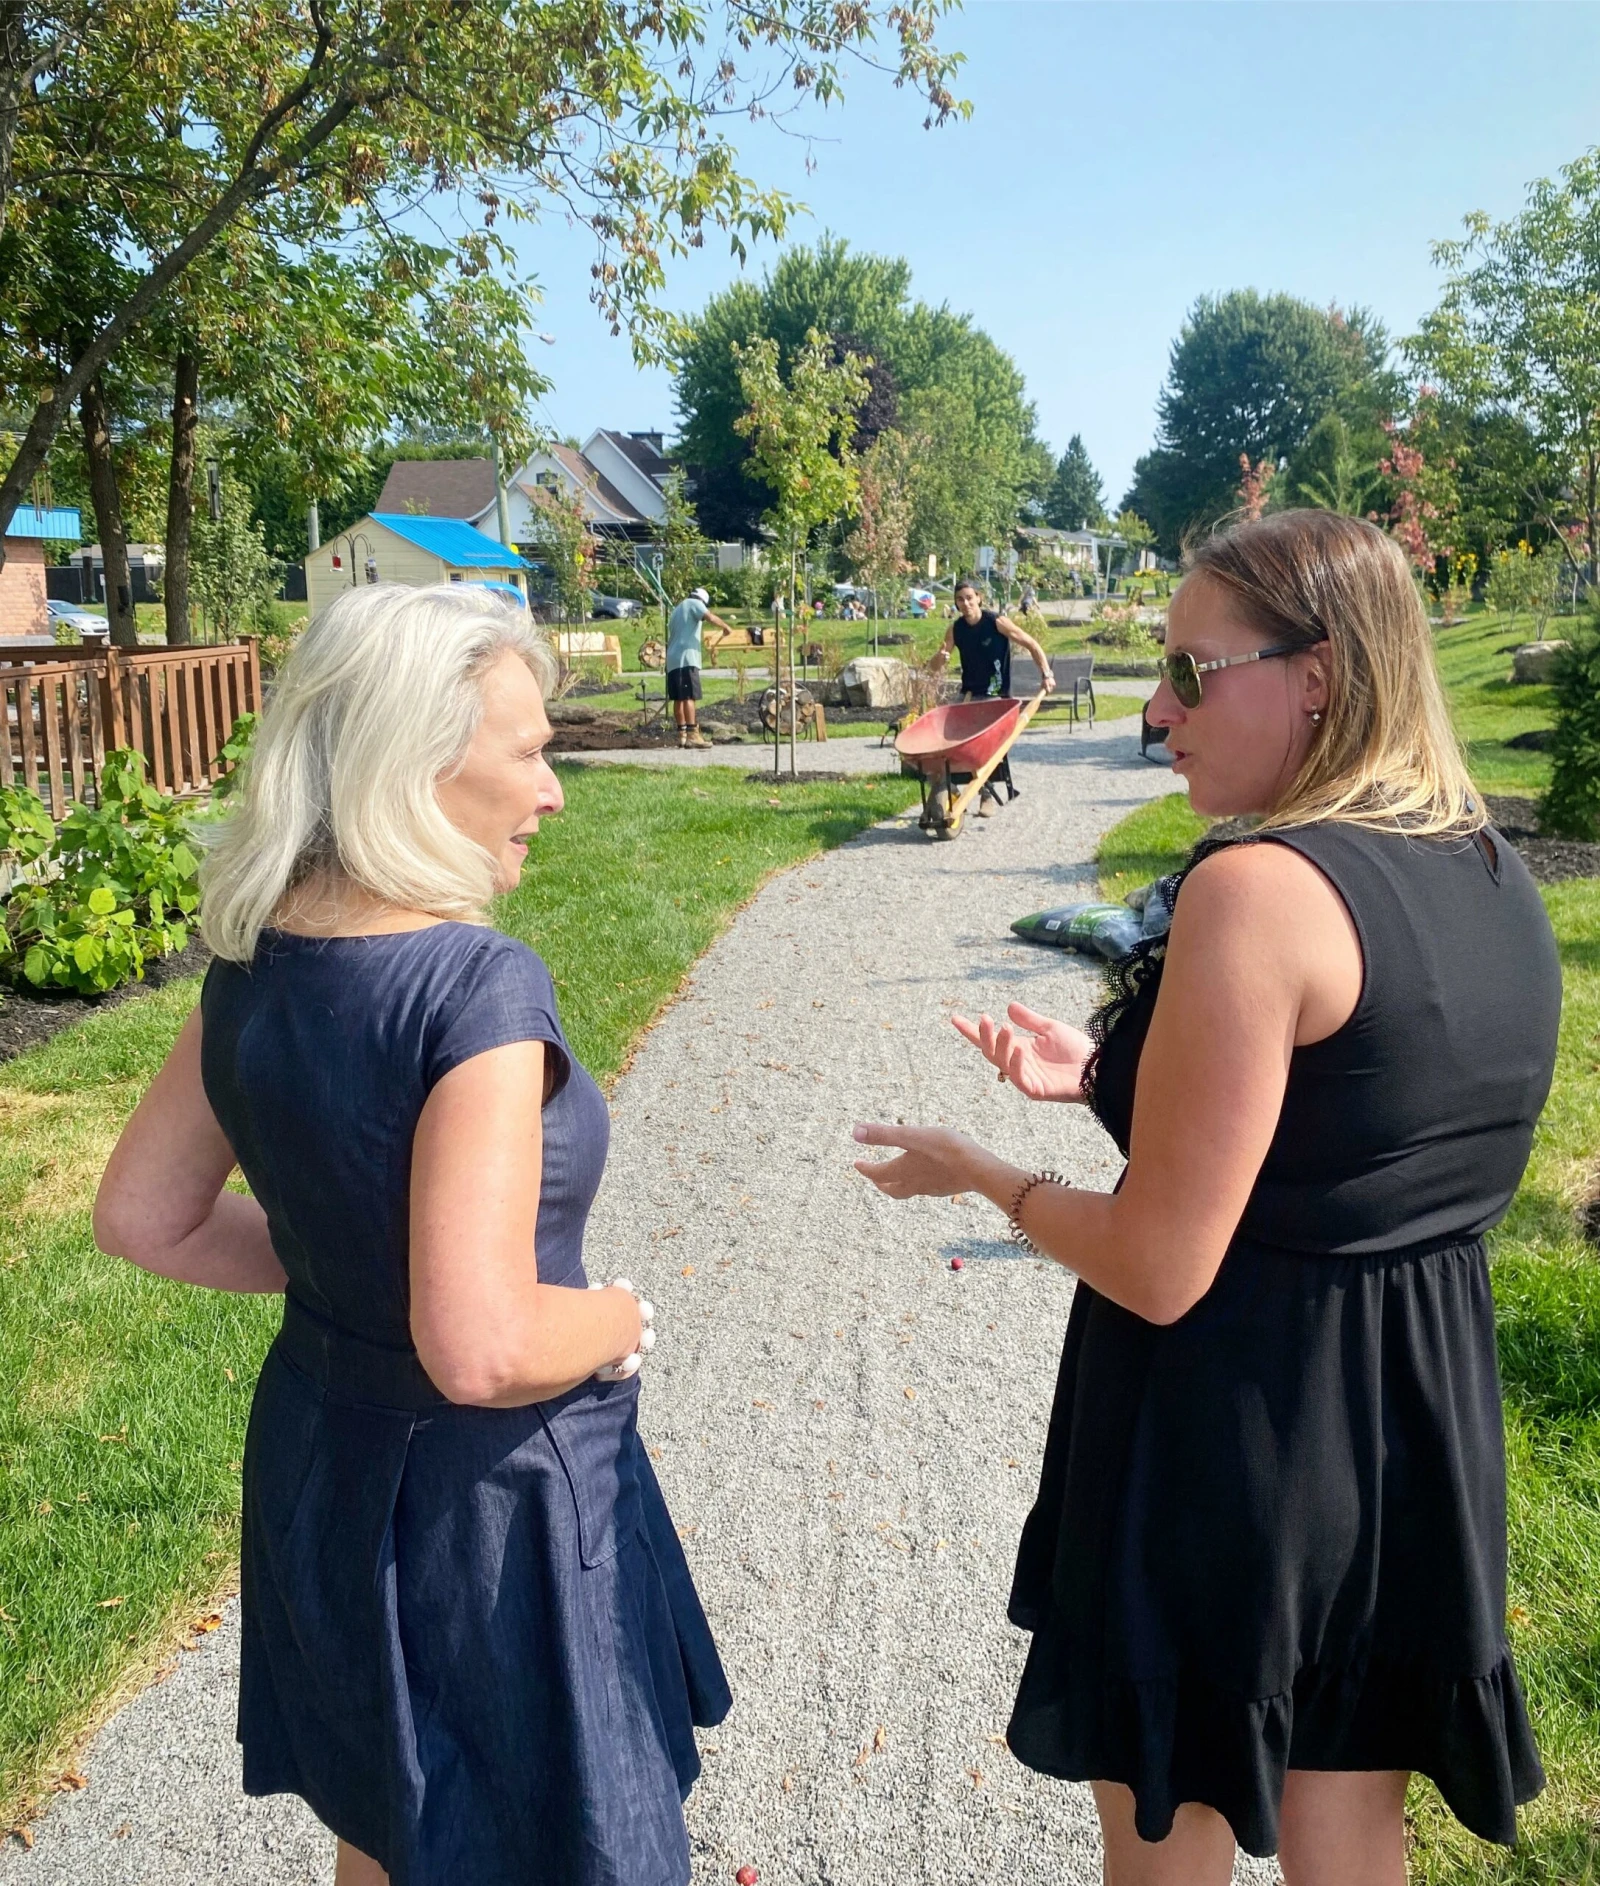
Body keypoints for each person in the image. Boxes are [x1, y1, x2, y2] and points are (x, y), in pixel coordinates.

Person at [853, 511, 1560, 1885]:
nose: (1157, 711)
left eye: (1189, 671)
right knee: (1349, 1835)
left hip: (1229, 1430)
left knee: (1167, 1835)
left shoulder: (1257, 888)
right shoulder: (1486, 869)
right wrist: (1102, 1076)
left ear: (1318, 675)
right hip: (1408, 1429)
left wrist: (988, 1171)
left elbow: (1159, 1262)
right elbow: (1352, 1126)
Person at [94, 586, 731, 1886]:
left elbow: (145, 1215)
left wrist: (347, 1258)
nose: (552, 791)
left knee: (391, 1821)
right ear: (417, 760)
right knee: (577, 1836)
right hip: (491, 1507)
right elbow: (482, 1345)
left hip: (325, 1464)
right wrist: (617, 1317)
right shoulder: (471, 986)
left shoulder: (249, 962)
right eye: (531, 752)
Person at [929, 576, 1054, 816]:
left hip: (995, 696)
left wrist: (1046, 674)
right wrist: (940, 659)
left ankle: (986, 795)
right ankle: (949, 787)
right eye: (960, 599)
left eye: (969, 598)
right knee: (943, 739)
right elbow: (933, 667)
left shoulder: (996, 622)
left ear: (979, 598)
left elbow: (1031, 644)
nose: (965, 603)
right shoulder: (955, 629)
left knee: (982, 745)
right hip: (968, 694)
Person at [665, 583, 735, 748]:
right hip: (686, 658)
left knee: (678, 698)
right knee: (689, 696)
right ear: (703, 601)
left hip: (672, 659)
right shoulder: (695, 603)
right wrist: (726, 627)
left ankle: (682, 735)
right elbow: (710, 617)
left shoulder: (677, 609)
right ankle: (693, 735)